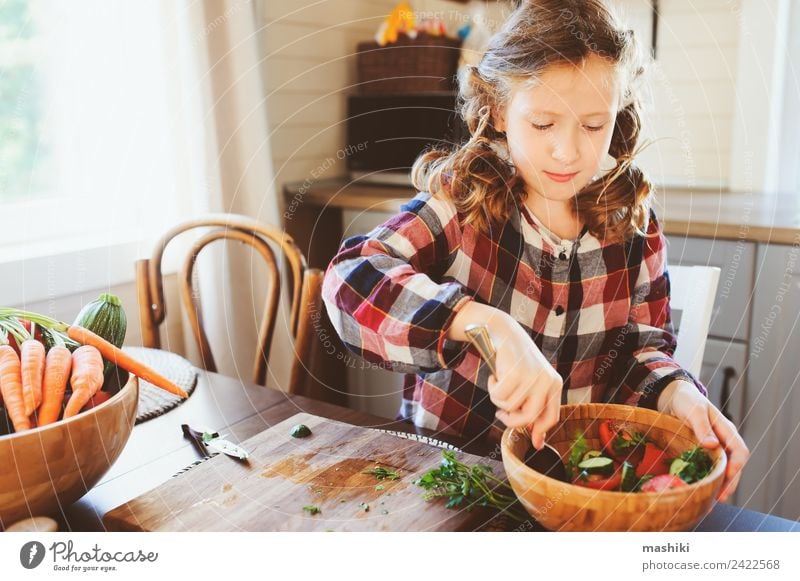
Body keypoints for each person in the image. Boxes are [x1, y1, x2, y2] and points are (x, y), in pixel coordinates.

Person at [322, 0, 748, 502]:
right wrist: (490, 327)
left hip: (574, 493)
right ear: (499, 111)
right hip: (447, 481)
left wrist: (679, 396)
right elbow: (350, 278)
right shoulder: (463, 202)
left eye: (593, 126)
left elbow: (642, 351)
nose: (568, 152)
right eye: (543, 124)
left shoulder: (631, 222)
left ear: (618, 114)